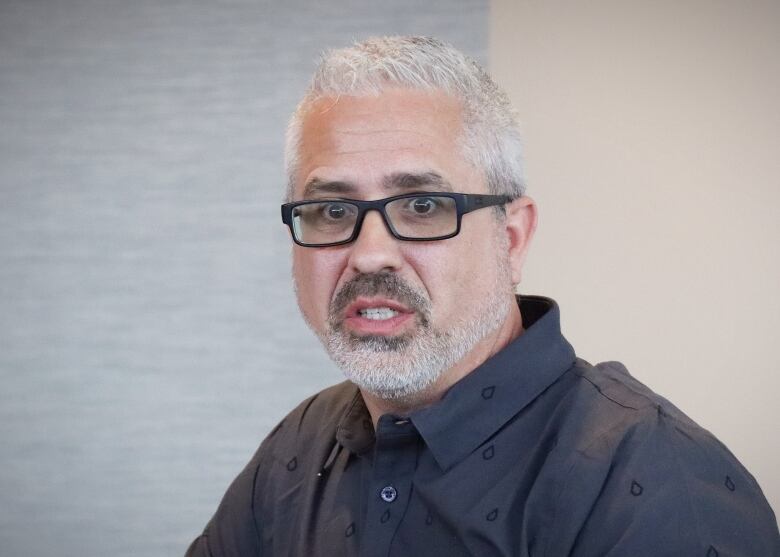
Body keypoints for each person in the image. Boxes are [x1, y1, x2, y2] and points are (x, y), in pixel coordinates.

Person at [185, 36, 779, 556]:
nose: (369, 254)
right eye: (332, 210)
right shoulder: (301, 445)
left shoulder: (650, 482)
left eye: (422, 206)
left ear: (511, 239)